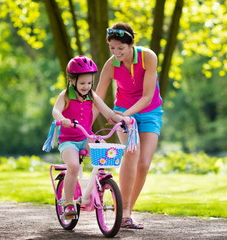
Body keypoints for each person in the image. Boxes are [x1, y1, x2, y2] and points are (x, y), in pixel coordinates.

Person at [96, 23, 163, 229]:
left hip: (149, 112)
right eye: (112, 48)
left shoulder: (148, 57)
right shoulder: (110, 65)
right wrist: (84, 126)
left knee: (143, 164)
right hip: (123, 111)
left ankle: (126, 212)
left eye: (120, 49)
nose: (116, 53)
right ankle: (124, 213)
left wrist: (123, 115)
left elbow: (147, 96)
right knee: (131, 153)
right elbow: (97, 97)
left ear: (131, 44)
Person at [52, 56, 131, 218]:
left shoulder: (92, 96)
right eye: (82, 83)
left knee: (102, 148)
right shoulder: (65, 95)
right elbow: (56, 111)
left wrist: (122, 120)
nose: (86, 87)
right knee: (73, 166)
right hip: (68, 141)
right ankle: (68, 203)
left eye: (89, 83)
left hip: (86, 137)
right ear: (72, 80)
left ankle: (99, 183)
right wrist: (62, 119)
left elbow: (108, 112)